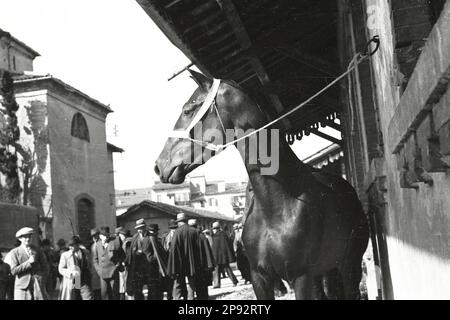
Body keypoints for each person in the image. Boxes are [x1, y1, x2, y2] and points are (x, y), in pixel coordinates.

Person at [126, 219, 167, 300]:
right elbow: (131, 252)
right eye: (138, 229)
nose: (139, 230)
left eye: (141, 228)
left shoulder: (151, 237)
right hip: (138, 270)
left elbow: (157, 251)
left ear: (145, 227)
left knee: (152, 291)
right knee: (138, 290)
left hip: (150, 268)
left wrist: (151, 258)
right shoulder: (135, 238)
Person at [168, 213, 203, 300]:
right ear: (186, 220)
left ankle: (177, 298)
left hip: (180, 263)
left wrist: (174, 264)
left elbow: (173, 249)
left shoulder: (177, 232)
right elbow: (199, 248)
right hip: (192, 262)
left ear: (179, 222)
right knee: (191, 282)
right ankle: (191, 298)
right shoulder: (194, 231)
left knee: (178, 282)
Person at [9, 227, 49, 300]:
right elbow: (13, 271)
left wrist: (42, 279)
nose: (28, 239)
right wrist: (28, 263)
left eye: (29, 237)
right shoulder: (15, 252)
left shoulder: (37, 250)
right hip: (22, 287)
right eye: (25, 237)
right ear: (20, 239)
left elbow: (45, 267)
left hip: (37, 285)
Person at [92, 226, 125, 300]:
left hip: (113, 273)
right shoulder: (97, 244)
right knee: (104, 295)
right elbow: (95, 260)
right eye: (104, 235)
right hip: (102, 274)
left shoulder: (115, 241)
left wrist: (117, 266)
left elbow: (123, 256)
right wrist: (99, 270)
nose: (106, 237)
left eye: (107, 235)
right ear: (100, 236)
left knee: (115, 294)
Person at [58, 236, 93, 300]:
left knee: (88, 297)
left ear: (78, 245)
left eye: (72, 245)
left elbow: (90, 264)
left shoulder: (86, 252)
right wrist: (70, 273)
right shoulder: (65, 255)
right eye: (69, 245)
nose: (70, 247)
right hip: (72, 282)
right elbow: (60, 269)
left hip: (84, 280)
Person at [188, 219, 215, 300]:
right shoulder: (202, 236)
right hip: (202, 265)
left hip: (192, 264)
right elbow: (207, 251)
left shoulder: (188, 236)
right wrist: (210, 264)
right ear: (197, 225)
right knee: (202, 284)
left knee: (195, 282)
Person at [211, 222, 238, 288]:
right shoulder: (218, 235)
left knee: (226, 269)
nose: (213, 230)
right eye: (213, 229)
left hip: (221, 256)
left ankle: (234, 281)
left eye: (214, 229)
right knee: (217, 270)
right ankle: (217, 284)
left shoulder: (222, 235)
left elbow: (226, 246)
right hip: (219, 256)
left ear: (217, 229)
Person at [115, 227, 132, 300]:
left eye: (121, 236)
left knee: (125, 285)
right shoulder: (127, 242)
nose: (120, 238)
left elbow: (128, 254)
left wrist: (124, 262)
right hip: (126, 267)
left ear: (124, 236)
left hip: (126, 267)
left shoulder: (127, 242)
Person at [88, 228, 102, 299]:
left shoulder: (100, 244)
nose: (94, 238)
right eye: (93, 236)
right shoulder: (93, 246)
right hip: (95, 271)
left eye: (95, 235)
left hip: (100, 271)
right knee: (97, 291)